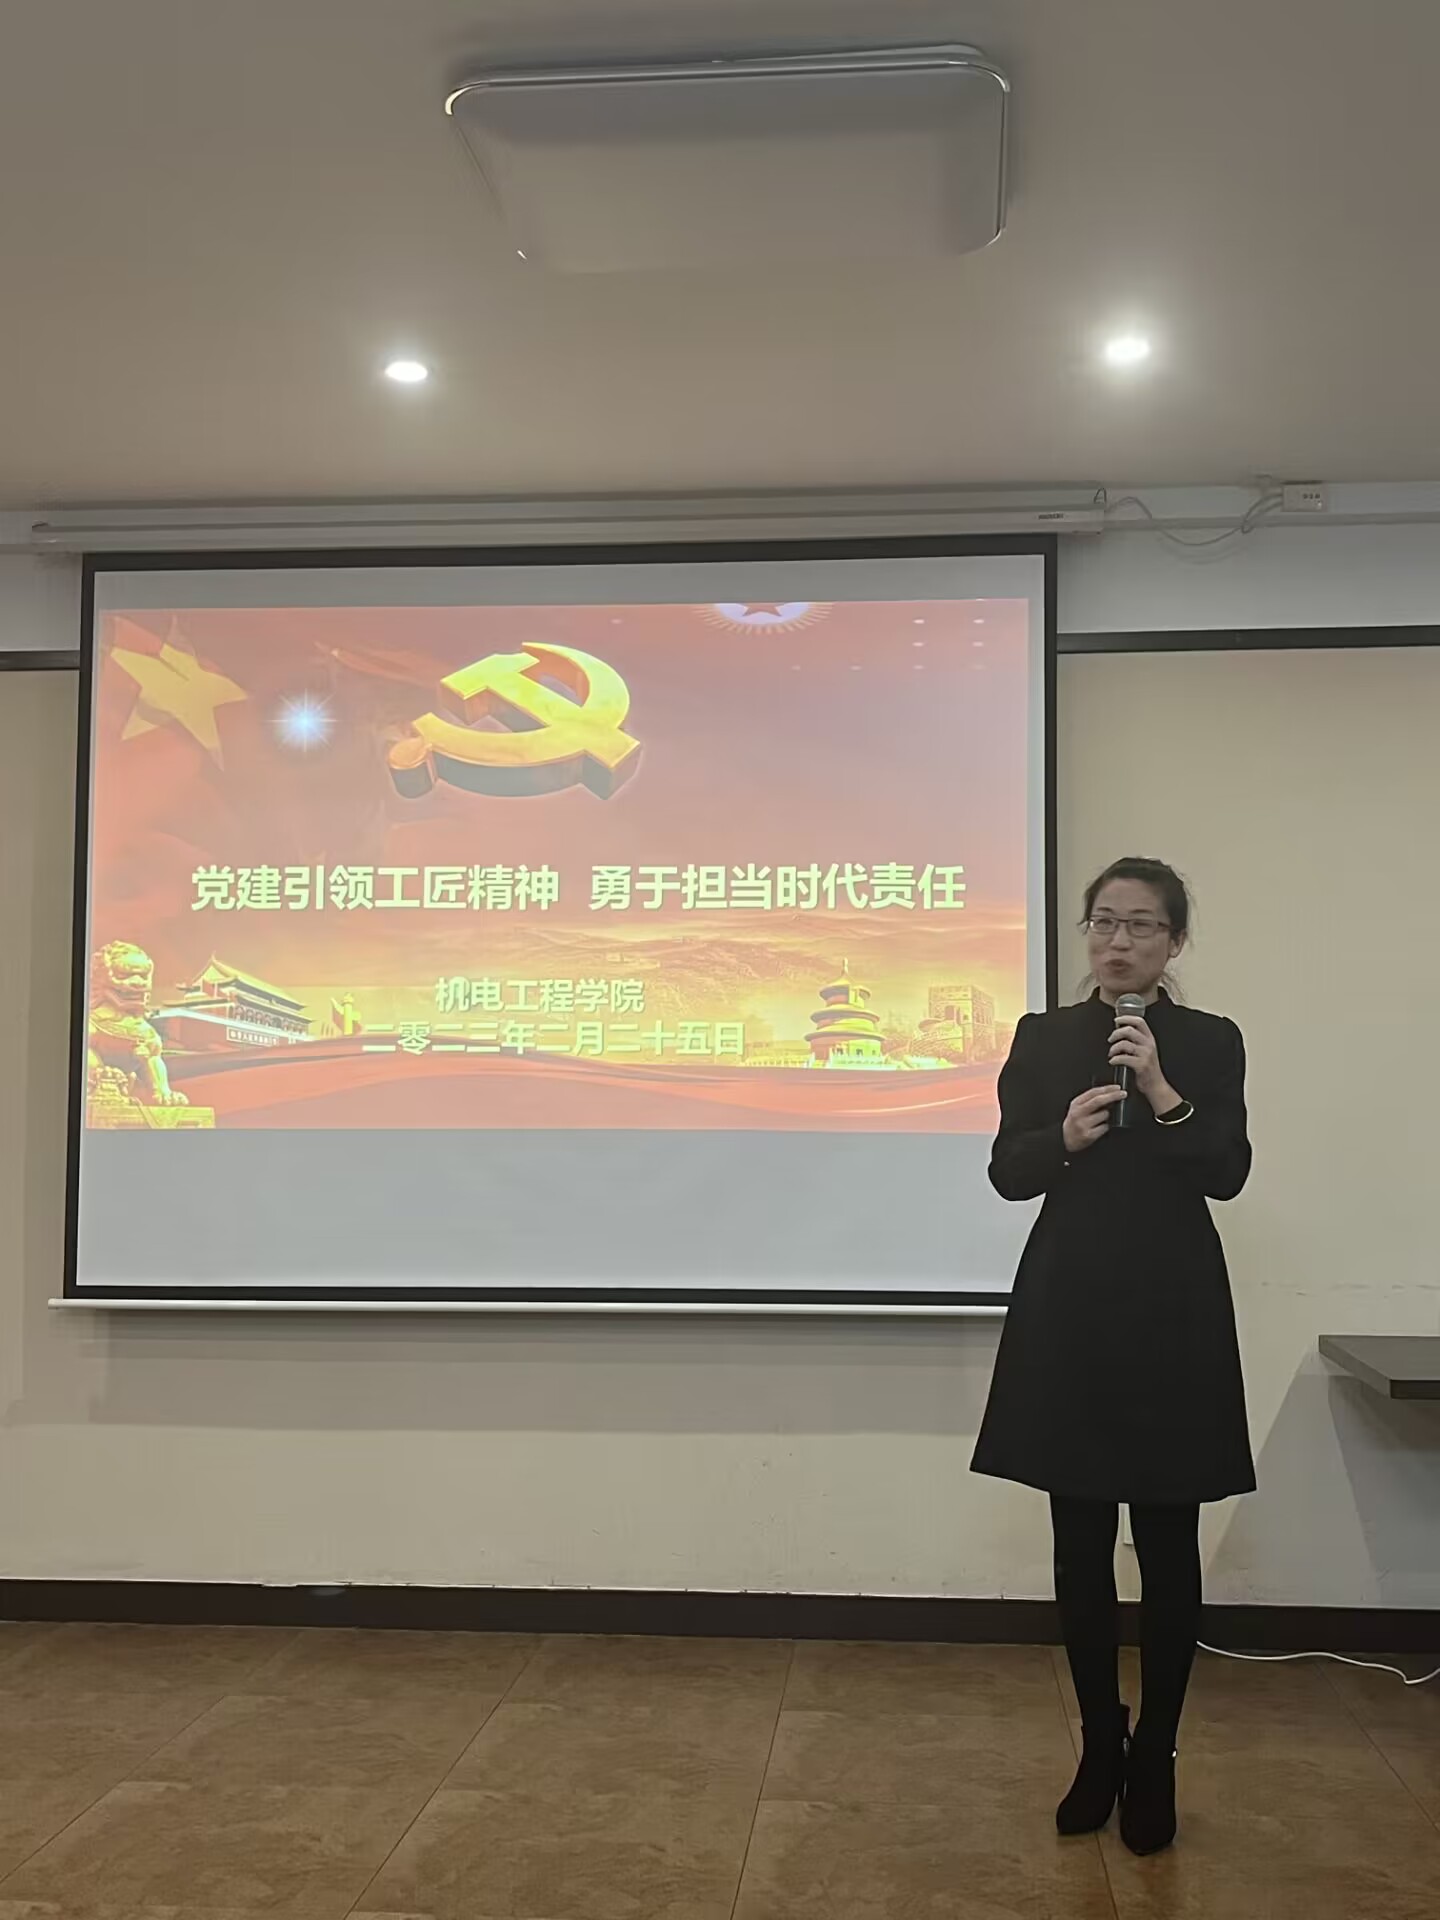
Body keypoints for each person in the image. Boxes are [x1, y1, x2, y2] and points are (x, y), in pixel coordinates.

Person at [970, 856, 1253, 1856]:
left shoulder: (1208, 1042)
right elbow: (1008, 1171)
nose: (1118, 941)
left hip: (1174, 1308)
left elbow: (1228, 1170)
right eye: (1103, 922)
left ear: (1175, 941)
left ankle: (1157, 1753)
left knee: (1168, 1542)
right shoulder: (1044, 1038)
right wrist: (1064, 1137)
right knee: (1080, 1541)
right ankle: (1100, 1742)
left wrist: (1164, 1092)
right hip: (1074, 1305)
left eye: (1140, 925)